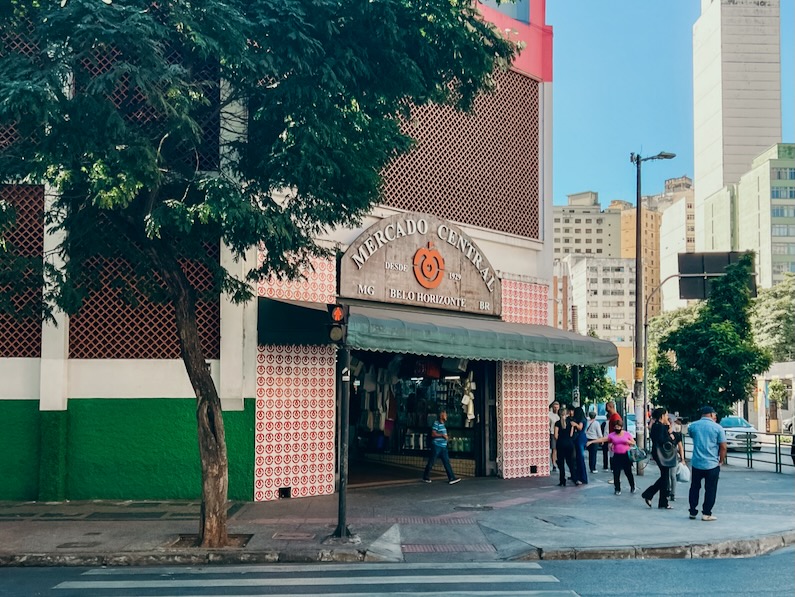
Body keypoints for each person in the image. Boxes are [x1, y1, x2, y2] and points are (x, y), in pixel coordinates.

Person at [687, 406, 727, 521]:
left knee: (694, 487)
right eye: (714, 414)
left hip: (697, 463)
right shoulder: (718, 428)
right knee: (710, 489)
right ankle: (706, 513)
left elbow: (692, 435)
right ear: (711, 414)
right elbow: (723, 446)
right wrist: (721, 460)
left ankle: (693, 511)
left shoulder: (693, 426)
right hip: (712, 464)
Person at [587, 419, 636, 495]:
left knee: (628, 472)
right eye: (615, 427)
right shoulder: (612, 435)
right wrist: (592, 441)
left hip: (626, 456)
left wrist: (629, 442)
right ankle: (617, 489)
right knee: (616, 473)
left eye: (618, 427)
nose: (617, 429)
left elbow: (633, 443)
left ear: (621, 427)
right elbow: (603, 439)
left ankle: (632, 486)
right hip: (616, 456)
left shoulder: (627, 434)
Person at [641, 407, 677, 510]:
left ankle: (661, 501)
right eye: (666, 415)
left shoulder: (657, 426)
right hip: (662, 454)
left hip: (658, 453)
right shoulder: (660, 427)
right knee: (665, 477)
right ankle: (650, 494)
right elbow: (662, 440)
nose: (667, 417)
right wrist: (670, 436)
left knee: (664, 477)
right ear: (662, 416)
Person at [422, 410, 461, 485]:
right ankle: (425, 476)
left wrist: (446, 438)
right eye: (445, 415)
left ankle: (451, 478)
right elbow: (433, 434)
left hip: (443, 447)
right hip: (437, 446)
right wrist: (442, 435)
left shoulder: (443, 425)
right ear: (441, 415)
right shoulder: (436, 423)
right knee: (432, 461)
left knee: (446, 462)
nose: (446, 416)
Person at [554, 407, 580, 486]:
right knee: (571, 462)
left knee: (561, 463)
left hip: (560, 444)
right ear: (567, 414)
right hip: (569, 444)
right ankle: (575, 479)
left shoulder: (557, 423)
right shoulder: (571, 423)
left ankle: (562, 480)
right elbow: (571, 434)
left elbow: (555, 435)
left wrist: (560, 439)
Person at [667, 416, 686, 502]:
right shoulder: (663, 434)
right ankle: (667, 490)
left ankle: (672, 493)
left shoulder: (677, 435)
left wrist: (682, 459)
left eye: (670, 424)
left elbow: (680, 447)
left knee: (672, 475)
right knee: (666, 475)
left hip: (674, 457)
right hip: (664, 457)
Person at [604, 401, 623, 482]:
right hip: (612, 440)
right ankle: (616, 477)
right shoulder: (613, 416)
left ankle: (616, 478)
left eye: (607, 406)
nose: (606, 408)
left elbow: (617, 430)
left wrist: (614, 442)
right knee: (614, 459)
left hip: (614, 441)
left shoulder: (615, 417)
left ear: (610, 406)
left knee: (615, 460)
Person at [572, 406, 588, 484]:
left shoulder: (581, 420)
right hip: (583, 438)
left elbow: (580, 427)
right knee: (579, 458)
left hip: (579, 438)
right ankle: (580, 476)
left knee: (580, 458)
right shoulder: (584, 419)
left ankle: (582, 477)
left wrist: (574, 424)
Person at [548, 401, 560, 473]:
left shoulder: (560, 415)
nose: (556, 409)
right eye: (555, 407)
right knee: (554, 449)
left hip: (560, 434)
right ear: (552, 407)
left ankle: (557, 462)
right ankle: (554, 464)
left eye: (557, 407)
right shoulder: (549, 415)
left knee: (558, 450)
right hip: (552, 433)